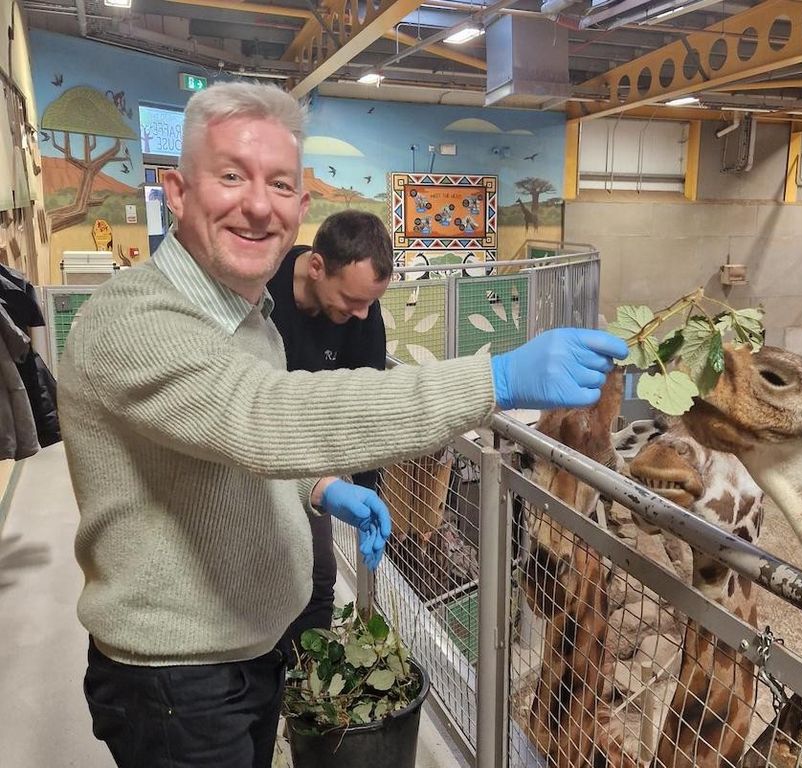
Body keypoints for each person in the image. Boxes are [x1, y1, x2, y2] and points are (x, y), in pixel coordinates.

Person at [59, 81, 627, 768]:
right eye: (231, 176)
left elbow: (227, 444)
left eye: (278, 183)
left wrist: (320, 488)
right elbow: (263, 417)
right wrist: (493, 380)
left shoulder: (244, 318)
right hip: (178, 677)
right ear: (177, 191)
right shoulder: (135, 320)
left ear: (301, 208)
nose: (257, 203)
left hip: (247, 651)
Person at [267, 209, 392, 664]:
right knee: (264, 573)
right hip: (246, 452)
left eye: (369, 303)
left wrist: (367, 492)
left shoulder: (362, 314)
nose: (361, 314)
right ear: (316, 267)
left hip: (307, 461)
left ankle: (307, 686)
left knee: (319, 576)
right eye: (351, 300)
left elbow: (368, 406)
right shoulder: (262, 289)